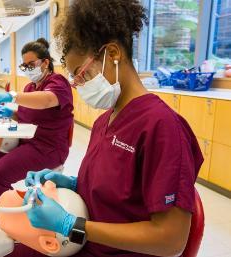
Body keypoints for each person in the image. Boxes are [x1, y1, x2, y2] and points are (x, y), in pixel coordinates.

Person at [11, 1, 204, 256]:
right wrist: (72, 183)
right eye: (74, 79)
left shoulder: (162, 127)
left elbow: (171, 240)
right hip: (87, 241)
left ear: (113, 53)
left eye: (81, 74)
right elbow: (117, 190)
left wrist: (71, 225)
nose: (79, 86)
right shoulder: (105, 120)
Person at [0, 38, 74, 224]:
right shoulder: (30, 87)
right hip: (27, 142)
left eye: (32, 64)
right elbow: (26, 115)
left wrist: (13, 96)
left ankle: (1, 220)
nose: (28, 69)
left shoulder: (57, 82)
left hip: (47, 148)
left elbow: (46, 100)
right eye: (25, 65)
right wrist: (11, 112)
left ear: (45, 62)